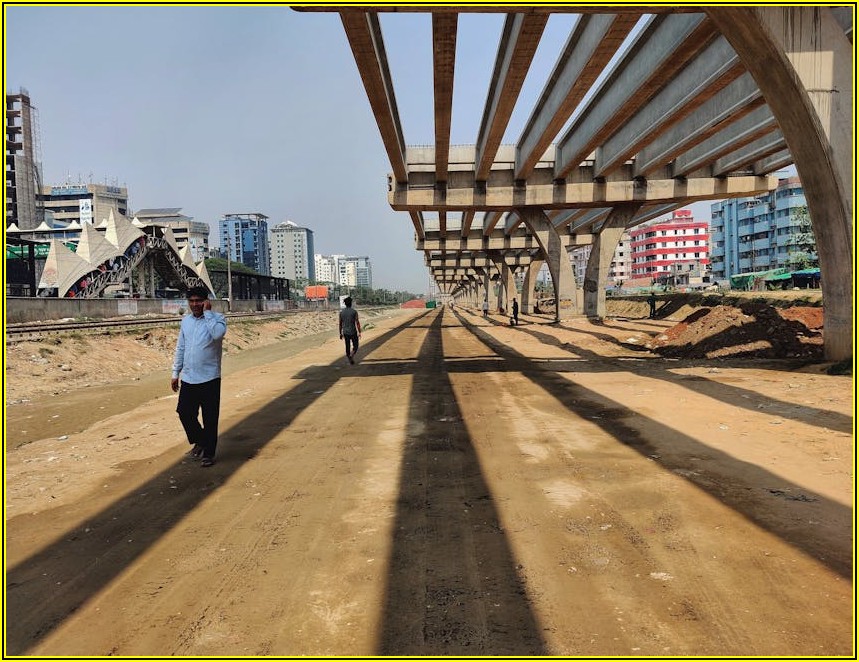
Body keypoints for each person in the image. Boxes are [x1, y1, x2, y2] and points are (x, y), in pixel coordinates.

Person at [171, 286, 227, 467]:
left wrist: (208, 314)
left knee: (210, 418)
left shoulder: (218, 319)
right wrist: (175, 372)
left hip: (210, 377)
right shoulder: (186, 322)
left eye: (198, 301)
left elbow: (217, 335)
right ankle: (202, 440)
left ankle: (208, 454)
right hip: (189, 377)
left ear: (206, 301)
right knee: (184, 413)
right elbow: (181, 347)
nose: (195, 304)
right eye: (191, 301)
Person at [339, 296, 362, 364]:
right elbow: (357, 322)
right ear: (351, 303)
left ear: (345, 304)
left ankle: (349, 356)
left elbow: (340, 324)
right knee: (356, 345)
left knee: (347, 345)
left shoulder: (341, 312)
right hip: (353, 331)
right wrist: (359, 332)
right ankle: (352, 355)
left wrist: (340, 333)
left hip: (345, 332)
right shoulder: (354, 312)